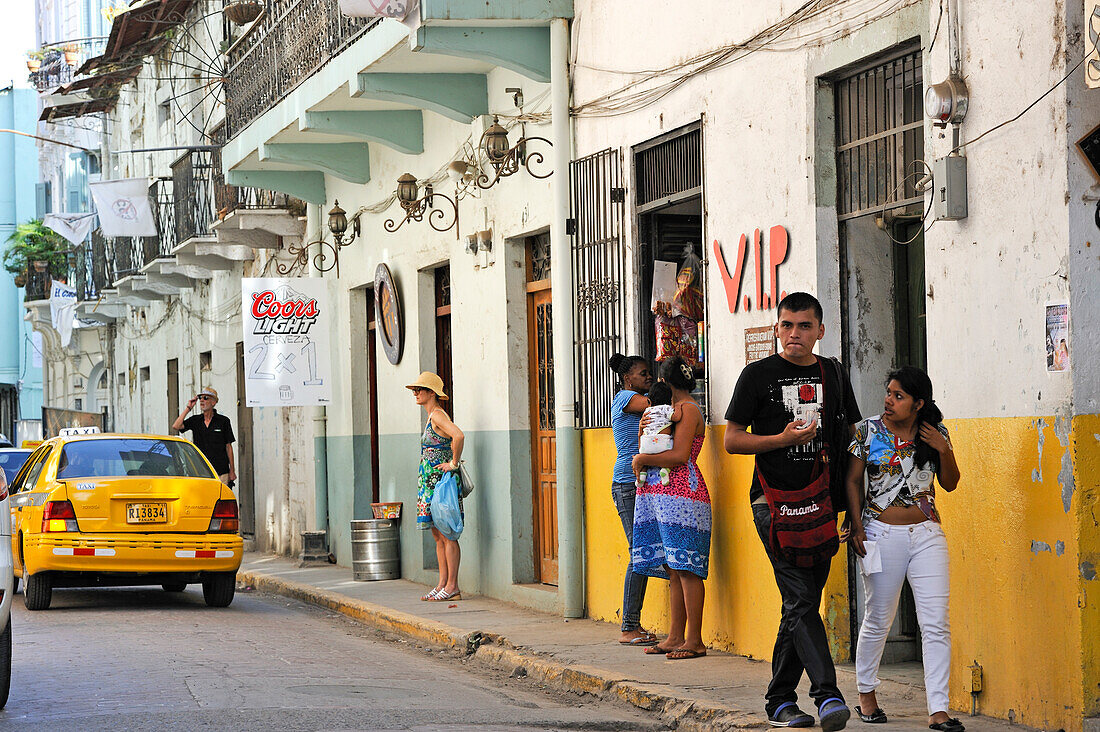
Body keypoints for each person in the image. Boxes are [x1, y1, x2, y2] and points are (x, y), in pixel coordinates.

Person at [724, 292, 861, 731]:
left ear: (820, 330)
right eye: (787, 325)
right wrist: (780, 441)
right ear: (777, 329)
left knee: (799, 604)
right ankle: (827, 695)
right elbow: (732, 440)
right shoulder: (757, 376)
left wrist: (852, 511)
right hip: (772, 503)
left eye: (804, 326)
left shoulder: (834, 375)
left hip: (821, 505)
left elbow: (850, 441)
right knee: (801, 599)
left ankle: (780, 701)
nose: (794, 334)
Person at [845, 367, 961, 731]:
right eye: (888, 392)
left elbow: (951, 483)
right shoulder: (866, 431)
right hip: (881, 532)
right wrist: (857, 524)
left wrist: (944, 451)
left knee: (936, 623)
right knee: (879, 617)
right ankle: (866, 693)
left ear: (918, 404)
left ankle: (938, 709)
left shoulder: (935, 434)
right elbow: (851, 479)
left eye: (898, 396)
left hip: (927, 534)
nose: (889, 400)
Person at [631, 355, 710, 661]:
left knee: (687, 569)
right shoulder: (670, 411)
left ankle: (694, 640)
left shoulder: (688, 410)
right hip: (663, 494)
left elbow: (679, 456)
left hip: (684, 495)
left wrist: (642, 460)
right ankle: (676, 636)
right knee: (673, 567)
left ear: (664, 382)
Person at [608, 353, 658, 646]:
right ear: (628, 378)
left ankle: (633, 624)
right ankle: (629, 626)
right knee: (638, 551)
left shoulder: (633, 394)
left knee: (644, 551)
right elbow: (655, 406)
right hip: (628, 482)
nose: (648, 377)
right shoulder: (626, 397)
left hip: (640, 481)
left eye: (649, 373)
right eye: (643, 373)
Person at [407, 372, 465, 602]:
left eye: (419, 389)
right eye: (414, 390)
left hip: (441, 483)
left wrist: (453, 463)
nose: (415, 393)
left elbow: (458, 436)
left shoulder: (438, 415)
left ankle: (453, 586)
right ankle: (442, 583)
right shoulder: (431, 415)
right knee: (438, 535)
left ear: (432, 393)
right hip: (429, 483)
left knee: (448, 534)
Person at [172, 387, 236, 485]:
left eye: (206, 398)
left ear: (213, 402)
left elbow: (228, 447)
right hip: (200, 470)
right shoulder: (195, 420)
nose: (202, 400)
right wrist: (188, 408)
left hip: (220, 470)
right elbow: (176, 426)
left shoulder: (223, 421)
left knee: (221, 498)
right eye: (200, 398)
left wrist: (232, 471)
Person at [636, 381, 675, 488]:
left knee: (645, 461)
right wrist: (678, 408)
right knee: (672, 455)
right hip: (662, 444)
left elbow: (643, 431)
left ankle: (642, 476)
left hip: (645, 446)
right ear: (670, 399)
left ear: (649, 400)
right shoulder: (667, 408)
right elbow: (676, 417)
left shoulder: (646, 411)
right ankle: (665, 469)